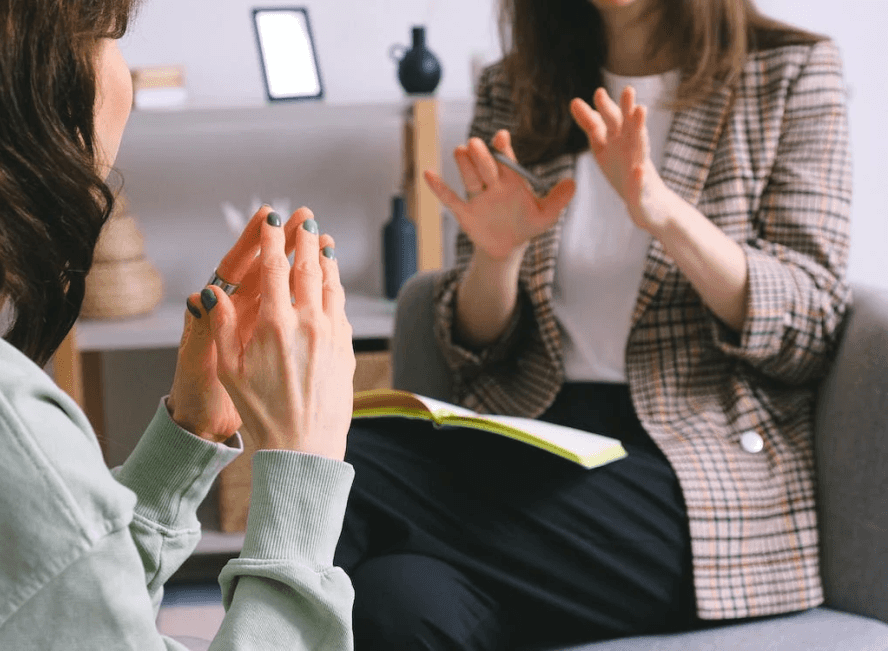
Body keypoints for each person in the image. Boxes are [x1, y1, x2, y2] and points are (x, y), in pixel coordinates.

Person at [334, 0, 852, 648]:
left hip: (690, 483)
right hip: (528, 451)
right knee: (395, 602)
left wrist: (663, 213)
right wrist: (498, 255)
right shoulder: (517, 85)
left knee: (337, 455)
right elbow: (476, 350)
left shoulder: (790, 71)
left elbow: (811, 327)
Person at [0, 1, 357, 649]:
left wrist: (186, 438)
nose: (124, 77)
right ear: (13, 81)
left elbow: (52, 610)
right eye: (109, 37)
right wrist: (304, 468)